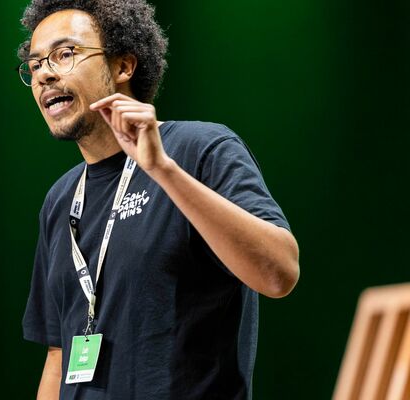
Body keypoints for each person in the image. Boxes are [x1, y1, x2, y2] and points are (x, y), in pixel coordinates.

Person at [17, 1, 300, 399]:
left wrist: (162, 169)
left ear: (123, 66)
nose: (44, 73)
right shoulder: (61, 198)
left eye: (65, 54)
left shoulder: (201, 149)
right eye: (34, 65)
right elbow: (58, 353)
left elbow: (280, 273)